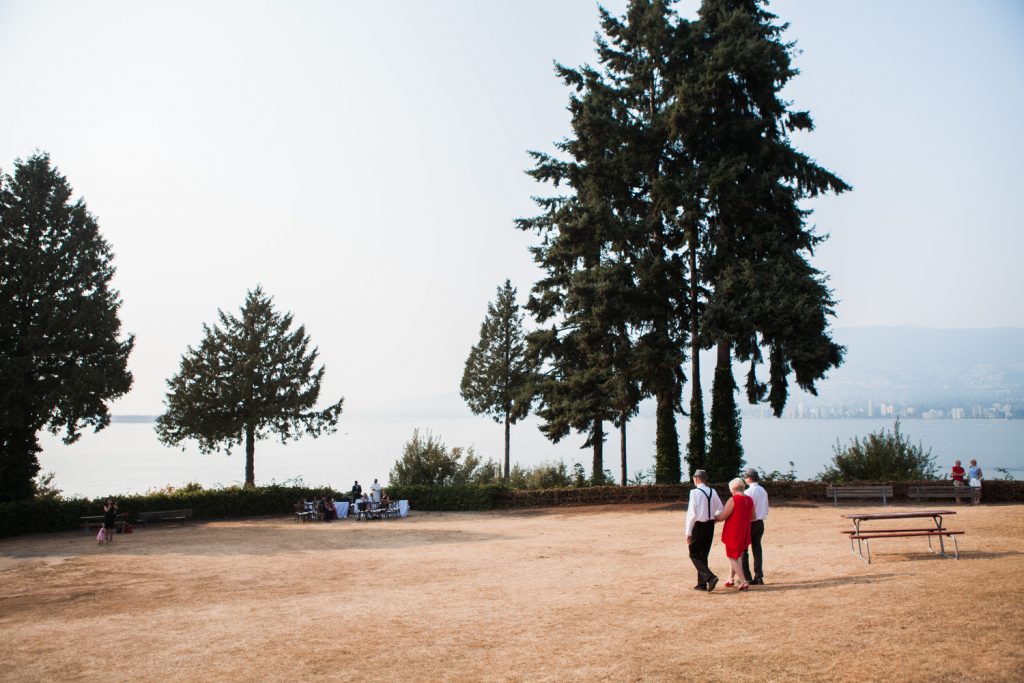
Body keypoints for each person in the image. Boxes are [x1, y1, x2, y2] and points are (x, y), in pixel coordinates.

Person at [685, 469, 724, 592]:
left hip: (699, 525)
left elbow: (691, 514)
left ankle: (710, 577)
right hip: (710, 525)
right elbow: (720, 508)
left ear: (697, 479)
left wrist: (688, 532)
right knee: (703, 554)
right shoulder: (713, 491)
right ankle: (701, 584)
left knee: (694, 554)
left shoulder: (694, 493)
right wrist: (714, 518)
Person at [715, 478, 756, 591]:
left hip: (733, 530)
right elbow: (753, 516)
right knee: (738, 555)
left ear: (733, 488)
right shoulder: (749, 499)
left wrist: (712, 518)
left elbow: (723, 516)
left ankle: (743, 581)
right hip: (745, 529)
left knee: (732, 556)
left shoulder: (733, 499)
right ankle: (730, 578)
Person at [741, 468, 769, 585]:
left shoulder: (748, 492)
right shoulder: (763, 490)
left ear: (749, 478)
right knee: (757, 549)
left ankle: (747, 577)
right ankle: (759, 576)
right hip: (760, 522)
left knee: (744, 549)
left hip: (750, 522)